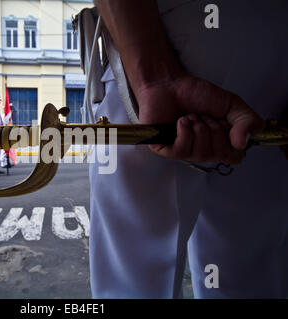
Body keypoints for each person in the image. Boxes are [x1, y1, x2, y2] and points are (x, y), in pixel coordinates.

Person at [87, 0, 288, 298]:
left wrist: (151, 77)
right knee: (250, 275)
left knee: (135, 282)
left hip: (156, 38)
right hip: (270, 51)